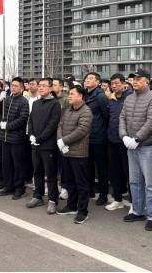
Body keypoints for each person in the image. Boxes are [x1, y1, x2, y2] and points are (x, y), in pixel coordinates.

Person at [119, 69, 152, 232]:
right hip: (131, 146)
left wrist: (137, 138)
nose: (135, 81)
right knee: (134, 181)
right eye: (133, 79)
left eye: (138, 79)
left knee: (150, 183)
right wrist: (124, 136)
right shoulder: (129, 98)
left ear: (147, 81)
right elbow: (122, 118)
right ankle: (138, 211)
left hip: (147, 147)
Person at [56, 85, 93, 224]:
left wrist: (64, 141)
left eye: (72, 94)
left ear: (80, 96)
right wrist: (60, 141)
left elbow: (81, 130)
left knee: (81, 183)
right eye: (69, 94)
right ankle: (71, 206)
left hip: (78, 153)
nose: (69, 96)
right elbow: (60, 125)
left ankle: (83, 211)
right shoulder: (68, 110)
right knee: (70, 181)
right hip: (66, 152)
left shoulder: (86, 111)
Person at [27, 78, 62, 214]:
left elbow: (53, 124)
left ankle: (52, 200)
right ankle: (37, 196)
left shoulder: (55, 104)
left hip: (48, 144)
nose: (41, 88)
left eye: (44, 86)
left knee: (51, 173)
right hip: (35, 144)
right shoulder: (36, 103)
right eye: (39, 85)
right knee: (37, 171)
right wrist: (31, 135)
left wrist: (40, 138)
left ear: (50, 88)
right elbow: (30, 120)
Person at [0, 78, 30, 200]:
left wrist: (8, 126)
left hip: (17, 138)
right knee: (7, 164)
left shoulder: (23, 101)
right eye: (12, 85)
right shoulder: (7, 99)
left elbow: (23, 118)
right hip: (5, 137)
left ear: (22, 88)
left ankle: (20, 189)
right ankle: (9, 186)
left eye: (16, 86)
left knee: (18, 165)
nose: (13, 87)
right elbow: (0, 114)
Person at [106, 74, 133, 212]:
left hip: (126, 142)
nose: (114, 86)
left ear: (124, 84)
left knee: (130, 173)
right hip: (112, 141)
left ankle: (135, 202)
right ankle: (118, 200)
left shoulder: (130, 97)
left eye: (117, 83)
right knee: (114, 172)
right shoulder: (111, 99)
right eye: (112, 84)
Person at [84, 72, 110, 206]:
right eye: (86, 78)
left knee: (101, 167)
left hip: (99, 137)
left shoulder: (101, 97)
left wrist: (102, 132)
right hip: (86, 137)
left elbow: (107, 117)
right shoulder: (84, 95)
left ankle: (103, 193)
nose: (87, 80)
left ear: (97, 82)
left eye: (91, 78)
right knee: (87, 166)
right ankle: (89, 190)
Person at [53, 78, 70, 201]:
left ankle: (65, 187)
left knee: (63, 164)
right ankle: (53, 185)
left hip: (61, 137)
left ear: (61, 87)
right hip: (50, 136)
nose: (52, 87)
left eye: (55, 85)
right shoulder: (51, 99)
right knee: (52, 163)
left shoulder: (66, 100)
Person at [25, 79, 40, 183]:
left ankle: (37, 178)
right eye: (29, 84)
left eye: (33, 84)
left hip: (36, 133)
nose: (31, 86)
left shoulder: (40, 99)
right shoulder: (25, 99)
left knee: (36, 158)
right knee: (26, 156)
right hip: (25, 131)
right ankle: (28, 176)